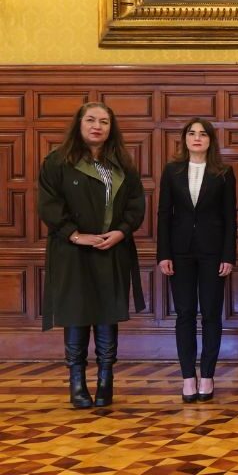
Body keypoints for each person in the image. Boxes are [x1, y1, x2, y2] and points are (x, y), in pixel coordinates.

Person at [38, 102, 145, 408]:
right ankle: (77, 384)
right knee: (76, 314)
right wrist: (75, 234)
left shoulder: (122, 164)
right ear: (79, 124)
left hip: (112, 249)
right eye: (91, 120)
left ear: (112, 128)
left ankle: (105, 382)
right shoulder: (58, 162)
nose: (97, 126)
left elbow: (136, 204)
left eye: (104, 122)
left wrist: (121, 231)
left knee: (107, 315)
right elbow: (49, 204)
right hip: (72, 251)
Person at [156, 118, 237, 403]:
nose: (197, 138)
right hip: (179, 253)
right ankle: (188, 377)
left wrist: (229, 255)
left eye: (203, 134)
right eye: (192, 133)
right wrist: (163, 253)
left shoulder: (224, 172)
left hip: (213, 252)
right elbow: (164, 214)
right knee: (185, 314)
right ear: (185, 139)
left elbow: (230, 218)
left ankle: (208, 376)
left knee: (212, 314)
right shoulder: (172, 170)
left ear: (211, 140)